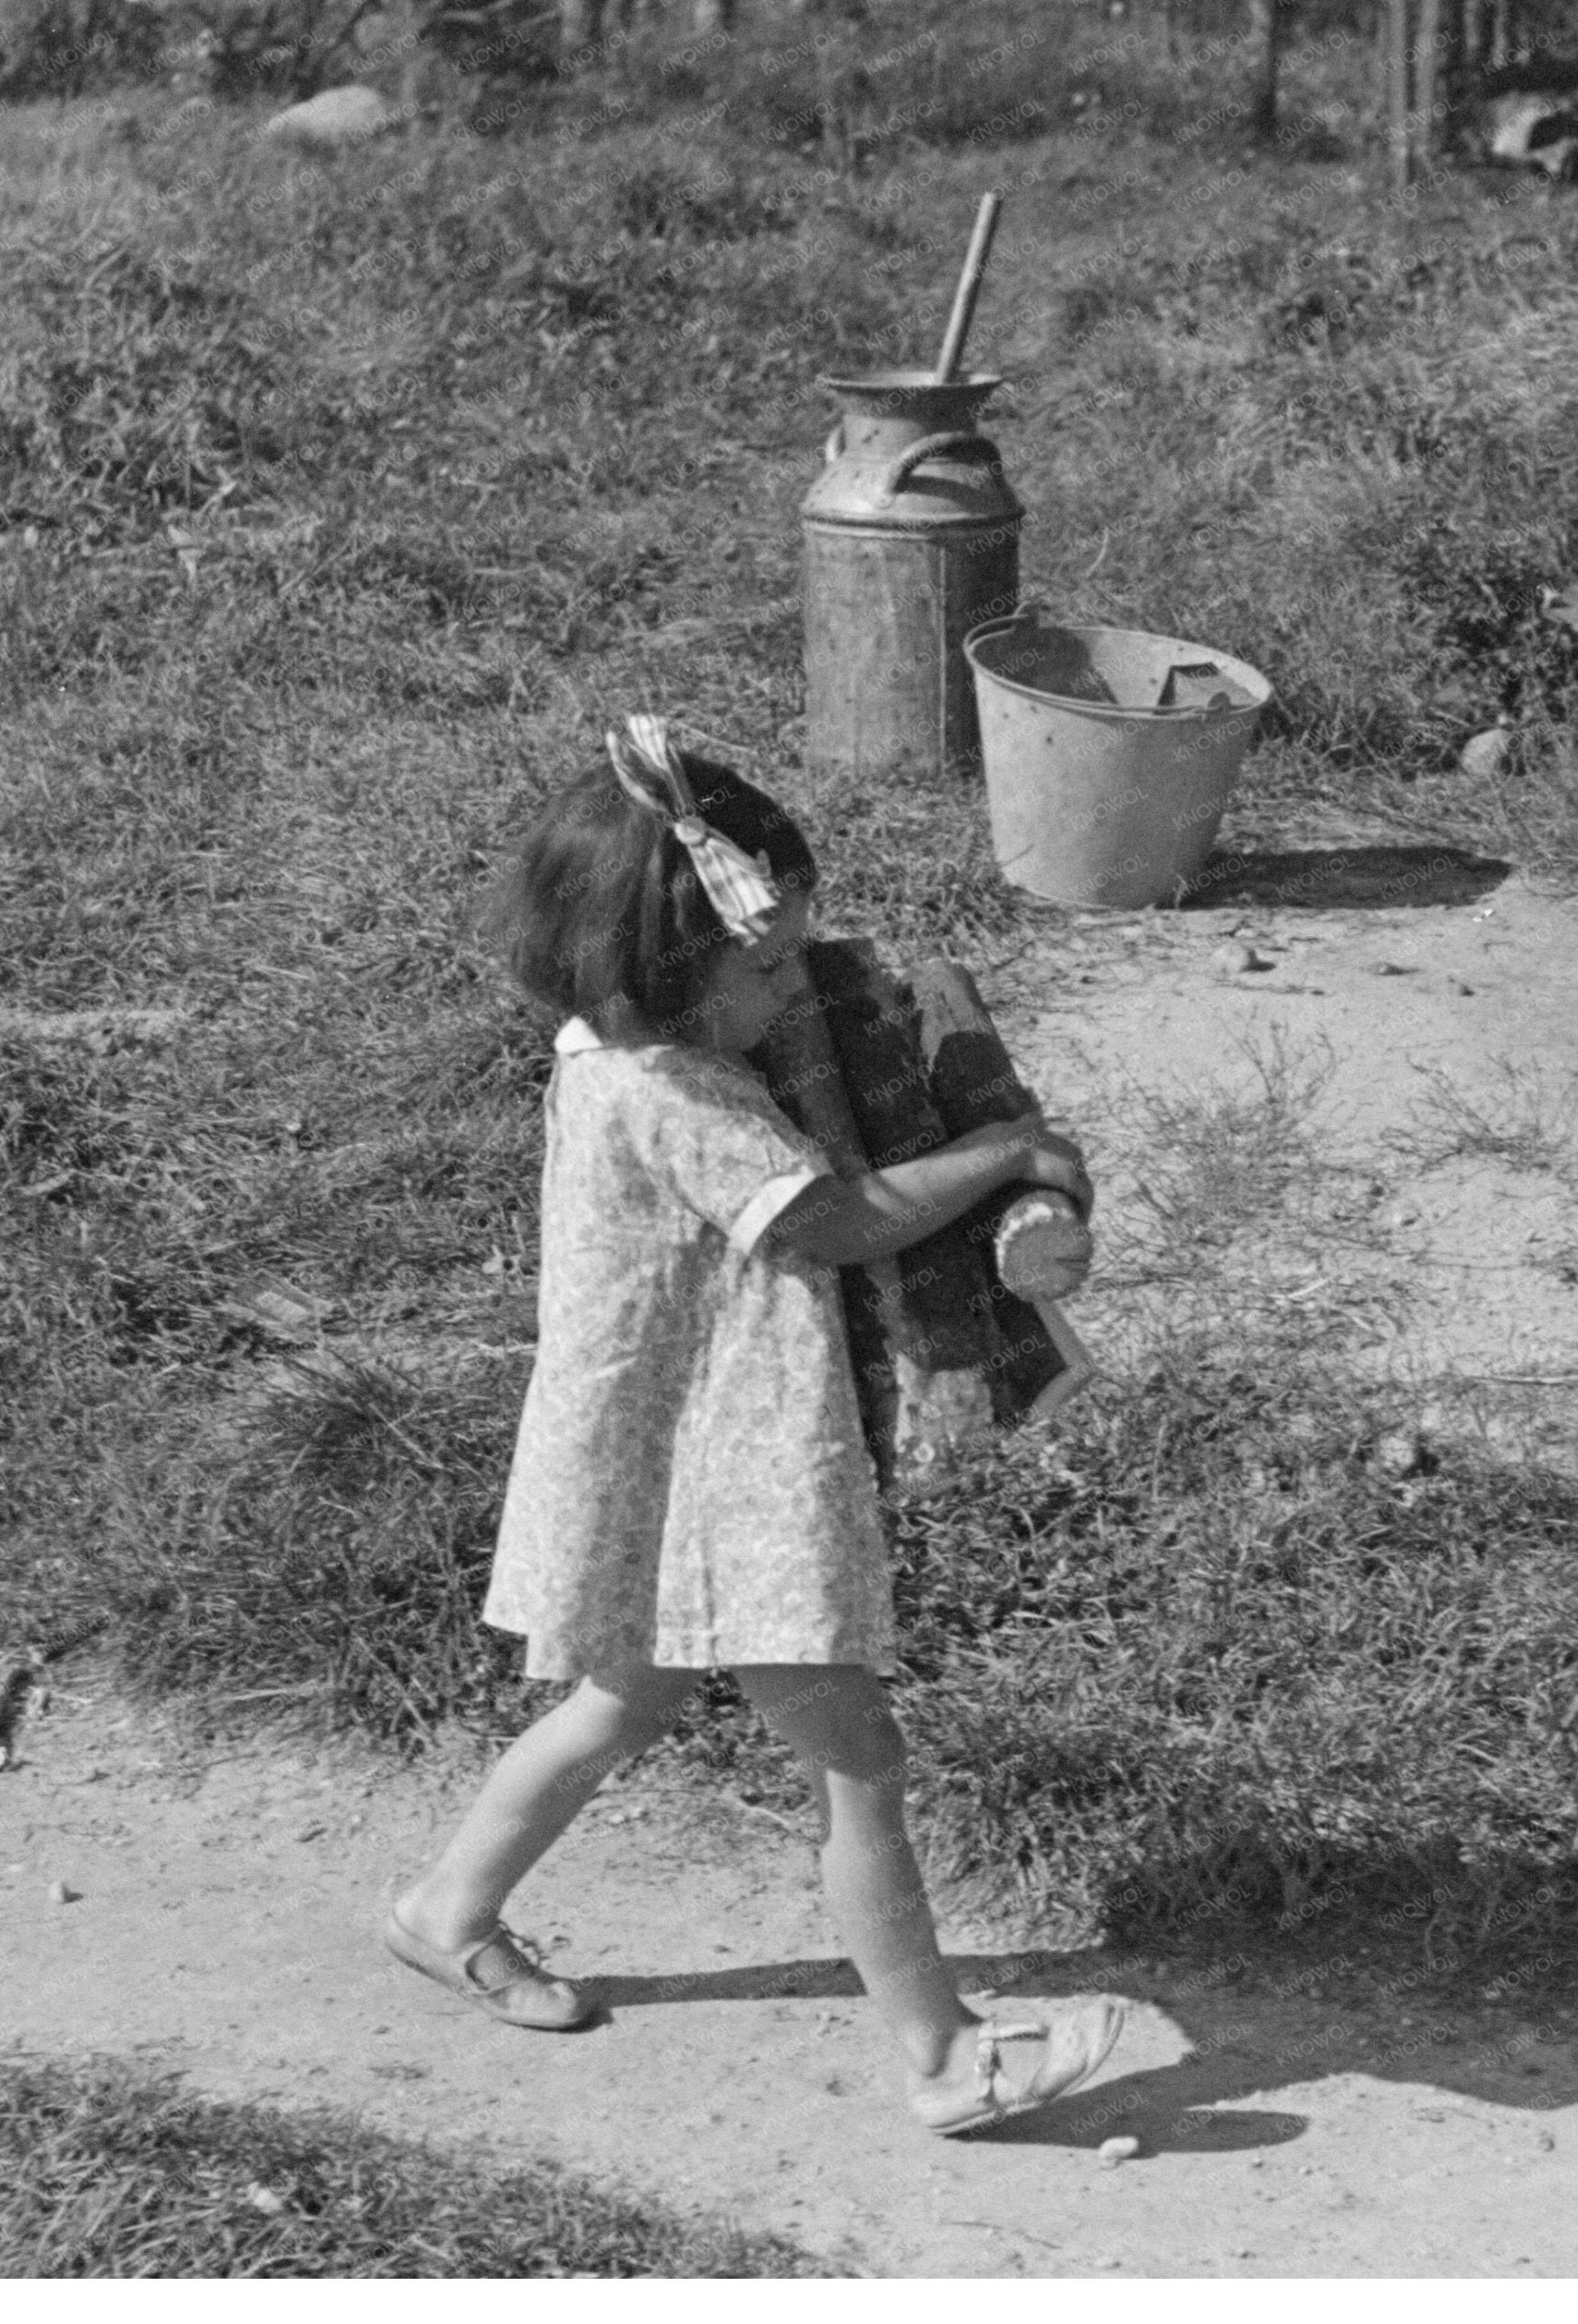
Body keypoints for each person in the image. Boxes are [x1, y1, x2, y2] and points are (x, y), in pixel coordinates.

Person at [382, 717, 1121, 2136]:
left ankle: (444, 1905)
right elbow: (838, 1222)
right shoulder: (676, 1093)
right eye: (767, 965)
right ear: (663, 971)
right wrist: (1011, 1156)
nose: (792, 987)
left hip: (664, 1459)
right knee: (857, 1751)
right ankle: (941, 2051)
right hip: (724, 1474)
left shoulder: (614, 1049)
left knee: (623, 1699)